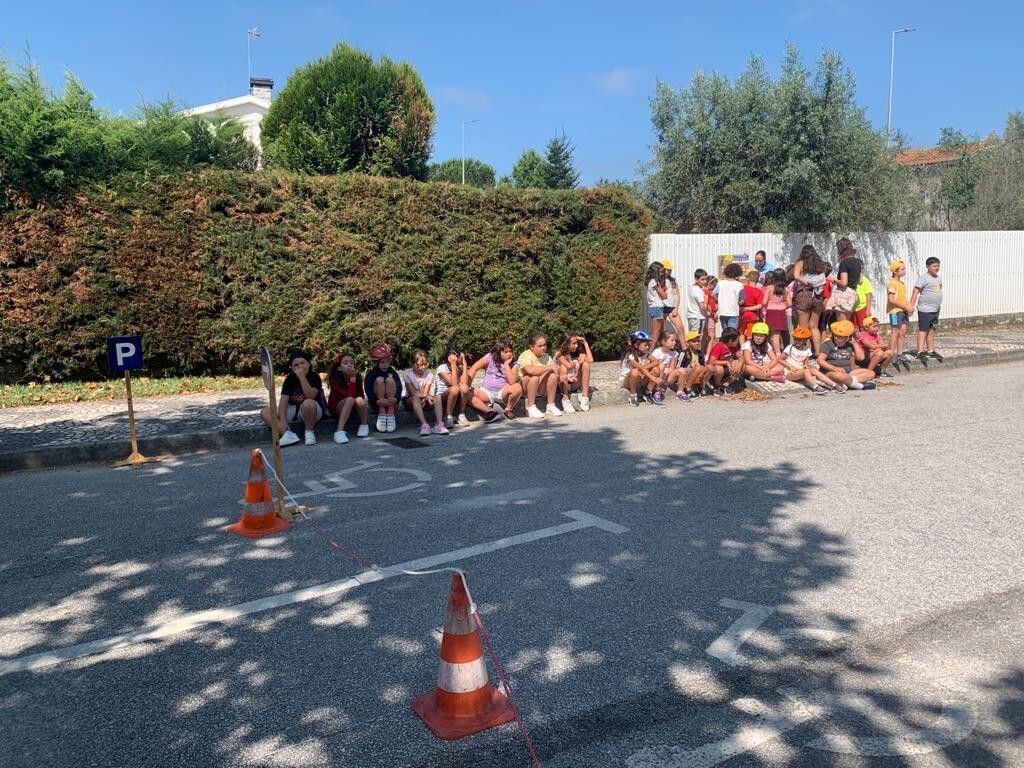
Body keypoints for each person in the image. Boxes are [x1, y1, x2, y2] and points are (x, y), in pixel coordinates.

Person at [261, 349, 329, 447]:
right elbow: (283, 402)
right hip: (295, 410)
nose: (300, 366)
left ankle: (309, 433)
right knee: (265, 412)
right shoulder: (289, 379)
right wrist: (283, 421)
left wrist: (302, 378)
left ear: (308, 364)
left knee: (308, 403)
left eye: (302, 363)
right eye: (296, 365)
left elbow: (311, 395)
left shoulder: (314, 377)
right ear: (292, 368)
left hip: (313, 411)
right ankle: (287, 434)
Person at [467, 340, 521, 421]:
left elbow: (512, 382)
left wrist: (506, 364)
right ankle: (490, 412)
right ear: (498, 352)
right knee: (465, 393)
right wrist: (468, 384)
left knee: (517, 387)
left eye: (510, 351)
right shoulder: (490, 357)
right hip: (486, 392)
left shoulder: (513, 364)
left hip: (502, 392)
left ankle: (508, 410)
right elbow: (474, 368)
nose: (509, 354)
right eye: (506, 352)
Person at [817, 320, 877, 391]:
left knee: (871, 373)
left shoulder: (849, 345)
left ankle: (848, 383)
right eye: (835, 335)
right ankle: (860, 386)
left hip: (848, 373)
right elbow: (820, 360)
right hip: (831, 372)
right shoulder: (828, 344)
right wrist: (833, 368)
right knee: (840, 376)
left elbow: (861, 358)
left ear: (847, 337)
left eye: (840, 336)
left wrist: (854, 343)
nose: (836, 338)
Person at [791, 244, 829, 354]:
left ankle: (805, 353)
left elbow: (796, 276)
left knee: (804, 327)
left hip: (804, 294)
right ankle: (817, 352)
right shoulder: (820, 265)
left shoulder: (800, 263)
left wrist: (806, 282)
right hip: (817, 296)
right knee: (814, 327)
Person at [403, 349, 449, 436]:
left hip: (425, 399)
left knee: (437, 397)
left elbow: (425, 392)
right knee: (415, 399)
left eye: (425, 364)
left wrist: (425, 397)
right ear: (413, 364)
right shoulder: (407, 373)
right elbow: (412, 392)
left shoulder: (429, 374)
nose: (423, 367)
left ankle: (439, 424)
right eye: (420, 365)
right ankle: (424, 425)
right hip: (411, 400)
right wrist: (425, 396)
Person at [326, 352, 369, 444]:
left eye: (351, 363)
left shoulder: (357, 377)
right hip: (337, 407)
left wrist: (354, 378)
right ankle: (339, 431)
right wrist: (352, 379)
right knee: (350, 399)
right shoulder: (335, 379)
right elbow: (349, 395)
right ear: (339, 368)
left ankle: (364, 425)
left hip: (352, 407)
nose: (349, 365)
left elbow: (360, 395)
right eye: (345, 363)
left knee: (360, 400)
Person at [908, 256, 945, 363]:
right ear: (927, 266)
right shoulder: (923, 278)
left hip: (935, 309)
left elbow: (939, 288)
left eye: (938, 266)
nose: (936, 268)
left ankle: (930, 350)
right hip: (925, 309)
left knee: (932, 329)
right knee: (923, 330)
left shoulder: (938, 278)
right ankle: (920, 351)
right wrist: (911, 306)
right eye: (934, 266)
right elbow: (915, 292)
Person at [517, 332, 562, 418]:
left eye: (545, 345)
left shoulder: (546, 357)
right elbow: (530, 370)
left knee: (552, 375)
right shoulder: (526, 355)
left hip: (540, 388)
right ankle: (530, 407)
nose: (543, 348)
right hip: (526, 389)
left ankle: (550, 405)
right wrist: (549, 367)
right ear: (531, 347)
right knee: (533, 377)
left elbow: (555, 371)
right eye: (540, 346)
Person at [781, 326, 836, 395]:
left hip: (800, 371)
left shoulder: (807, 349)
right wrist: (790, 366)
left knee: (814, 370)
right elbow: (780, 359)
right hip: (790, 373)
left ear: (805, 340)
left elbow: (805, 363)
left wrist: (805, 365)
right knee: (806, 371)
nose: (797, 341)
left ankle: (834, 385)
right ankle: (816, 387)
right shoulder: (790, 347)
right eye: (795, 339)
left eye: (799, 339)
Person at [364, 344, 402, 433]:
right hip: (377, 403)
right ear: (376, 363)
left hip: (392, 402)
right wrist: (375, 400)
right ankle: (382, 412)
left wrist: (396, 398)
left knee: (390, 380)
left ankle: (390, 412)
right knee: (379, 379)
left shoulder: (392, 372)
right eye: (382, 362)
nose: (385, 365)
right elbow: (368, 389)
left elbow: (399, 386)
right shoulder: (371, 374)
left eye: (387, 362)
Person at [620, 330, 661, 406]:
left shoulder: (646, 353)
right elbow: (640, 368)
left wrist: (646, 367)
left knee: (656, 369)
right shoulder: (630, 356)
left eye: (648, 345)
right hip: (628, 381)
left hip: (640, 378)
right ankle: (633, 395)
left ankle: (647, 392)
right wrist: (653, 378)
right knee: (635, 371)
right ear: (636, 345)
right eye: (645, 345)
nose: (647, 347)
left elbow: (656, 362)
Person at [886, 260, 914, 370]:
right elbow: (891, 299)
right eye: (902, 269)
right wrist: (905, 306)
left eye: (904, 268)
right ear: (895, 272)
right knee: (895, 332)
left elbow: (903, 298)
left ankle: (900, 354)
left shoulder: (901, 284)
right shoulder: (892, 284)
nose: (904, 271)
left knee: (902, 332)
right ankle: (891, 354)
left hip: (903, 311)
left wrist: (909, 306)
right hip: (894, 312)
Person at [555, 333, 593, 412]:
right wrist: (577, 362)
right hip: (561, 383)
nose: (576, 346)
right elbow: (568, 365)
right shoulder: (559, 354)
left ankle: (584, 397)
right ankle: (565, 399)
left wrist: (585, 343)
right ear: (566, 344)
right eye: (573, 343)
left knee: (586, 365)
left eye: (577, 343)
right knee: (563, 367)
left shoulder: (577, 353)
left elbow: (590, 360)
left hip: (574, 382)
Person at [436, 348, 472, 428]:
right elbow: (454, 384)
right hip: (442, 396)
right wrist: (453, 365)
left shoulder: (459, 367)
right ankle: (448, 416)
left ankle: (461, 414)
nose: (457, 359)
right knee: (455, 389)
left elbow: (465, 383)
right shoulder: (442, 368)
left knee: (465, 387)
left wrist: (465, 364)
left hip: (455, 395)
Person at [706, 328, 744, 396]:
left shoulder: (733, 347)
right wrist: (726, 362)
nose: (738, 342)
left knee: (743, 366)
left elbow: (741, 357)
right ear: (730, 341)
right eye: (737, 340)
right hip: (716, 372)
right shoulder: (719, 346)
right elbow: (711, 362)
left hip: (727, 369)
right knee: (719, 368)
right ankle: (717, 385)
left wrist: (740, 363)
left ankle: (726, 384)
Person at [763, 268, 791, 357]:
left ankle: (775, 353)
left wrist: (768, 305)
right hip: (781, 312)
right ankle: (777, 352)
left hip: (771, 312)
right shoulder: (786, 289)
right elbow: (790, 304)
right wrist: (783, 305)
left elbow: (764, 302)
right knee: (777, 334)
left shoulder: (769, 288)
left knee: (772, 334)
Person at [674, 330, 707, 400]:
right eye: (694, 341)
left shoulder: (700, 353)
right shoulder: (684, 353)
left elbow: (703, 366)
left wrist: (699, 367)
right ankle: (688, 388)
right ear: (687, 343)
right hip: (686, 376)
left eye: (698, 341)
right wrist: (690, 367)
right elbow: (678, 368)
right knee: (698, 367)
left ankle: (701, 386)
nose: (697, 343)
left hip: (696, 374)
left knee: (705, 368)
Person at [650, 331, 679, 404]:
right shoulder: (657, 352)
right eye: (672, 340)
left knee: (680, 370)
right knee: (661, 366)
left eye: (675, 340)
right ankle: (657, 389)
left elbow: (672, 368)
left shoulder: (674, 353)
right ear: (663, 342)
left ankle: (681, 391)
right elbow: (654, 366)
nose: (674, 342)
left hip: (667, 376)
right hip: (658, 375)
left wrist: (665, 374)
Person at [716, 262, 745, 332]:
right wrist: (736, 303)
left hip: (722, 311)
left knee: (725, 332)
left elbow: (713, 294)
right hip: (733, 312)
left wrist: (719, 301)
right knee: (732, 332)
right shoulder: (739, 285)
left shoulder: (720, 283)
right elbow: (742, 300)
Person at [686, 269, 711, 347]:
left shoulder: (692, 287)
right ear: (696, 279)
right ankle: (694, 353)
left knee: (692, 336)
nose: (705, 281)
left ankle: (694, 352)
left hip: (692, 316)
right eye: (702, 279)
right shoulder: (698, 291)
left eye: (706, 279)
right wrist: (707, 313)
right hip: (697, 317)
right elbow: (702, 306)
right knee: (696, 338)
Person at [645, 262, 668, 345]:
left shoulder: (651, 281)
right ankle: (650, 349)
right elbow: (664, 296)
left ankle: (657, 348)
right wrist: (664, 291)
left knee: (660, 331)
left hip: (655, 307)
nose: (662, 274)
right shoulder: (654, 282)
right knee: (656, 332)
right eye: (660, 272)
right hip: (656, 307)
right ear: (655, 272)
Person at [739, 269, 764, 339]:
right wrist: (748, 308)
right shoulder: (759, 292)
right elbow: (760, 305)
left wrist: (744, 308)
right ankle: (748, 345)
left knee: (742, 334)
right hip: (752, 315)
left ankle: (742, 345)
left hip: (742, 314)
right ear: (757, 280)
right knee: (749, 334)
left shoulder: (742, 289)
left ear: (748, 279)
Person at [661, 261, 684, 334]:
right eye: (668, 269)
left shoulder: (673, 280)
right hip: (662, 307)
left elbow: (677, 294)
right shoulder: (658, 281)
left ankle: (683, 342)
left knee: (680, 328)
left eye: (670, 269)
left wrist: (676, 308)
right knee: (661, 329)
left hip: (672, 308)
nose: (670, 271)